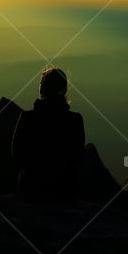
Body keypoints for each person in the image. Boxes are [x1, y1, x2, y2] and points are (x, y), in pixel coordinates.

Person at [12, 67, 85, 200]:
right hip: (64, 192)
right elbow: (77, 157)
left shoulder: (27, 118)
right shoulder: (75, 120)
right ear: (64, 90)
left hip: (31, 190)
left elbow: (17, 154)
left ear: (41, 89)